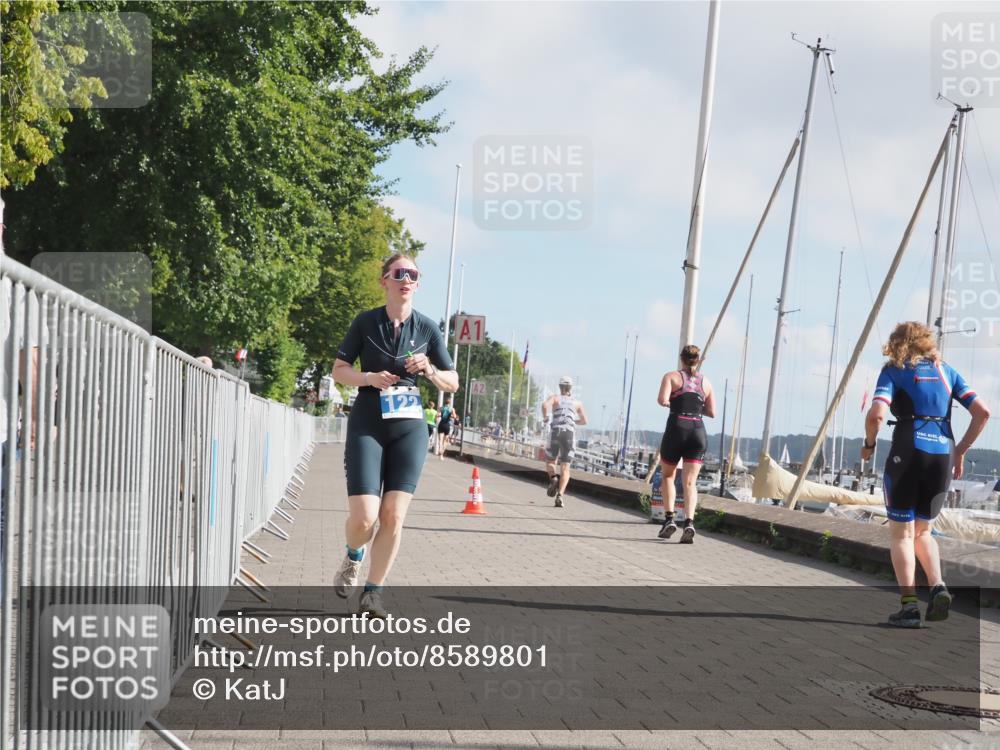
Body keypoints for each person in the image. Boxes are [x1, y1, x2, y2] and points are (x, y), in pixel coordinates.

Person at [331, 254, 459, 618]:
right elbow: (339, 370)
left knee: (393, 516)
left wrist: (431, 369)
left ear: (418, 284)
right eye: (399, 273)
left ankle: (373, 593)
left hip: (409, 426)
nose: (406, 279)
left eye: (413, 275)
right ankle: (353, 555)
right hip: (368, 420)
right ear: (384, 280)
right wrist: (368, 378)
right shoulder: (365, 322)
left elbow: (453, 382)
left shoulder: (429, 328)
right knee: (364, 519)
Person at [862, 321, 990, 628]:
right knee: (923, 532)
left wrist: (868, 444)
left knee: (901, 534)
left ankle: (908, 608)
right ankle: (937, 586)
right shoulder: (947, 372)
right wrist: (960, 451)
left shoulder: (894, 370)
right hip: (942, 455)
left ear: (896, 343)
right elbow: (982, 412)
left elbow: (877, 414)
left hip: (908, 451)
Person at [656, 345, 715, 543]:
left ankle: (670, 519)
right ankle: (689, 523)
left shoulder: (671, 377)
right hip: (698, 430)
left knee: (668, 476)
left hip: (677, 428)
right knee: (690, 482)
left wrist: (673, 402)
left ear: (681, 358)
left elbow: (662, 400)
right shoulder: (706, 382)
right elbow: (712, 412)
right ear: (697, 360)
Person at [541, 376, 587, 508]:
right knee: (565, 467)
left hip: (555, 432)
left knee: (550, 462)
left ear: (560, 387)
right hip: (569, 435)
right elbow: (585, 421)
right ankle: (560, 495)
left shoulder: (555, 398)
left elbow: (544, 405)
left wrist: (545, 418)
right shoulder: (577, 403)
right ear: (571, 388)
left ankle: (553, 478)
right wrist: (573, 422)